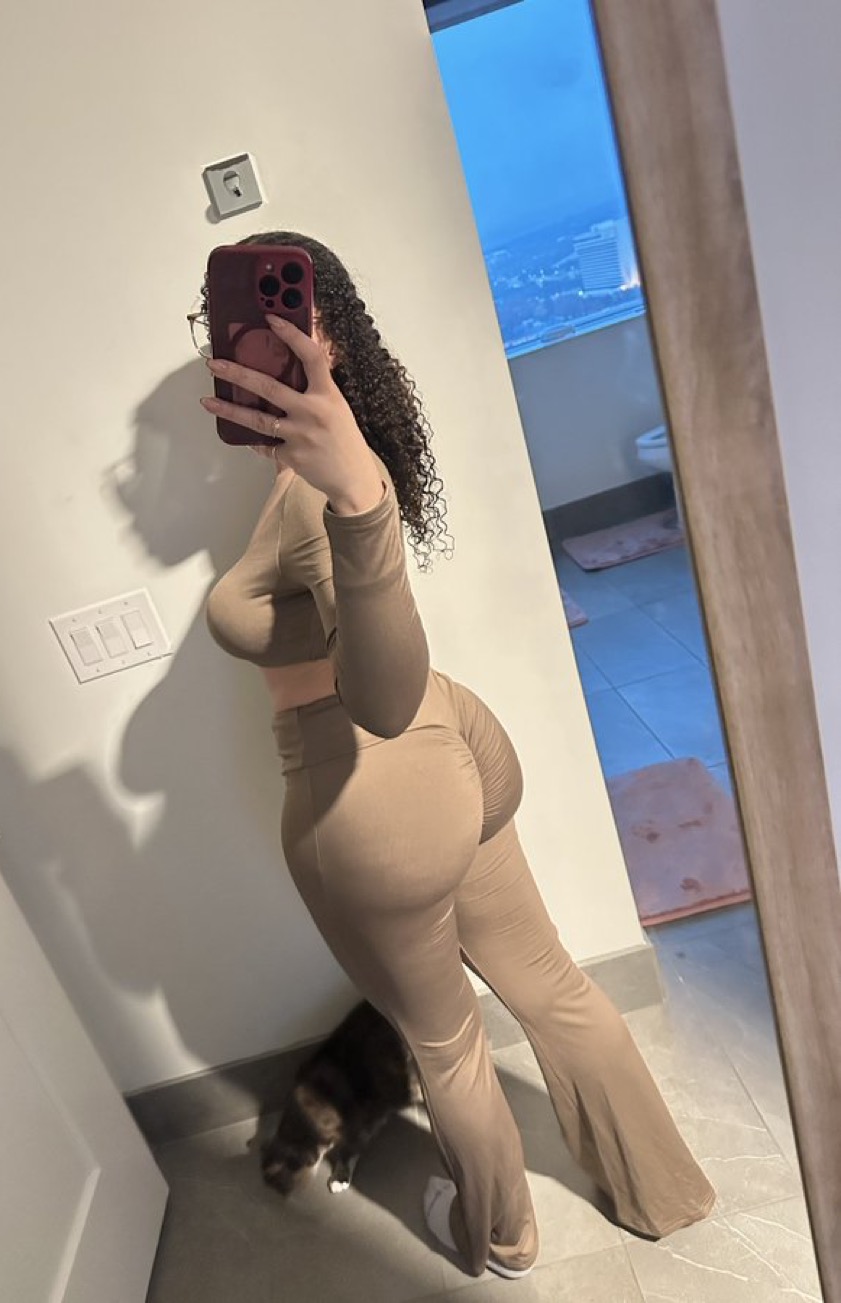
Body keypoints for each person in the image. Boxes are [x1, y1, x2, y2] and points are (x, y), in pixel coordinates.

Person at [198, 231, 716, 1279]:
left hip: (372, 795)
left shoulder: (324, 491)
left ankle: (504, 1236)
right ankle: (663, 1188)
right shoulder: (320, 472)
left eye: (274, 332)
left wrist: (358, 501)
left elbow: (383, 704)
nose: (249, 354)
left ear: (327, 341)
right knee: (551, 983)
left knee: (446, 1046)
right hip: (458, 752)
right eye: (231, 335)